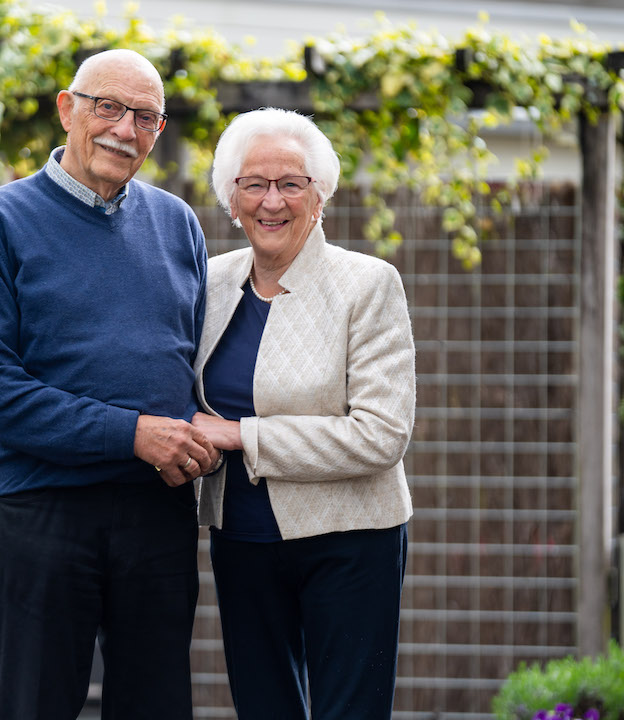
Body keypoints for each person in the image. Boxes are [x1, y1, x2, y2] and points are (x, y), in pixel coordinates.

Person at [0, 48, 219, 720]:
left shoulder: (178, 224)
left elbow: (188, 363)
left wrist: (199, 430)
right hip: (44, 509)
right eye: (109, 108)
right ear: (68, 109)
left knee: (156, 706)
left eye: (146, 118)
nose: (125, 130)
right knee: (37, 703)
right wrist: (130, 434)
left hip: (157, 512)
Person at [191, 107, 416, 719]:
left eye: (291, 183)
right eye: (253, 184)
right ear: (230, 199)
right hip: (241, 539)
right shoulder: (208, 284)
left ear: (320, 196)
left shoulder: (367, 285)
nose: (272, 201)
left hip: (351, 540)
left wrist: (242, 435)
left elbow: (381, 435)